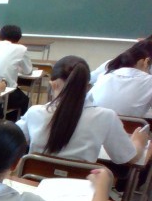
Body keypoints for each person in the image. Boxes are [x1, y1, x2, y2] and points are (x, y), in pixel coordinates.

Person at [17, 56, 147, 165]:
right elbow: (126, 158)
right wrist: (138, 143)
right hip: (80, 186)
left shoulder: (34, 112)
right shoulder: (106, 117)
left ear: (53, 84)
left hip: (34, 183)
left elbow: (12, 141)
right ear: (88, 87)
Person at [87, 43, 152, 117]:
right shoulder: (149, 81)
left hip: (98, 121)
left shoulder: (104, 76)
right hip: (131, 124)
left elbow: (88, 101)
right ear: (146, 61)